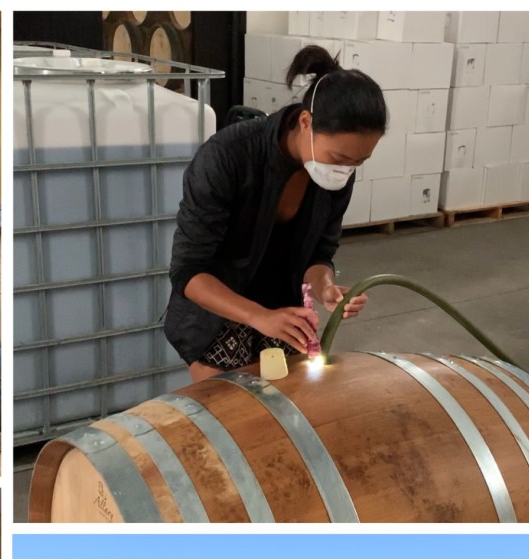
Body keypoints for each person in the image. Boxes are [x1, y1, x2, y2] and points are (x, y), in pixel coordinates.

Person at [164, 46, 387, 381]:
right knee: (237, 417)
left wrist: (324, 285)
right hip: (217, 315)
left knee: (288, 410)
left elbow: (320, 253)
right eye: (341, 158)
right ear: (305, 122)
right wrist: (259, 316)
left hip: (284, 312)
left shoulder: (338, 173)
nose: (347, 170)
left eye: (359, 162)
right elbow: (189, 272)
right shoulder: (227, 157)